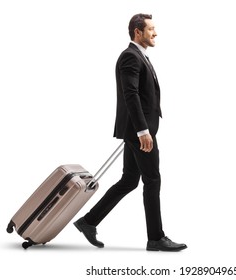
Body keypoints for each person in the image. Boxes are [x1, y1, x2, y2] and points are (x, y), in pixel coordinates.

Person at [74, 13, 187, 252]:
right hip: (140, 132)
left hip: (138, 130)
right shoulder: (130, 57)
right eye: (151, 29)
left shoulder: (139, 56)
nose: (155, 33)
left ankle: (88, 221)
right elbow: (131, 95)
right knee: (152, 180)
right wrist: (143, 131)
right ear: (138, 31)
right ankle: (156, 238)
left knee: (129, 180)